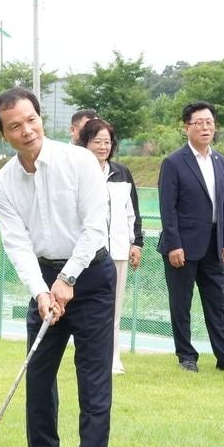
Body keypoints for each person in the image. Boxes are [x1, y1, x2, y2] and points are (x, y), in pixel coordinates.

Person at [0, 88, 115, 447]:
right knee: (39, 376)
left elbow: (95, 226)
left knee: (92, 378)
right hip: (45, 280)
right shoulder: (4, 182)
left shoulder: (79, 161)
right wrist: (41, 292)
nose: (27, 130)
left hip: (90, 275)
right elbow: (16, 243)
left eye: (31, 120)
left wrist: (68, 277)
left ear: (40, 117)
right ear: (4, 135)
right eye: (15, 126)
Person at [157, 102, 224, 374]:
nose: (205, 127)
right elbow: (167, 208)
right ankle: (186, 356)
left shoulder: (220, 161)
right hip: (182, 246)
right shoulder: (174, 162)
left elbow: (223, 204)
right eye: (199, 123)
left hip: (214, 244)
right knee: (181, 304)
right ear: (186, 127)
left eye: (209, 122)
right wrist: (174, 245)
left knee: (217, 303)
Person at [78, 117, 143, 374]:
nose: (103, 147)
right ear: (85, 143)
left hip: (117, 252)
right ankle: (89, 357)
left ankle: (113, 358)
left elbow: (132, 212)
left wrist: (136, 243)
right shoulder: (78, 172)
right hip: (85, 253)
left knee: (113, 308)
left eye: (107, 142)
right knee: (85, 310)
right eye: (97, 142)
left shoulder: (122, 173)